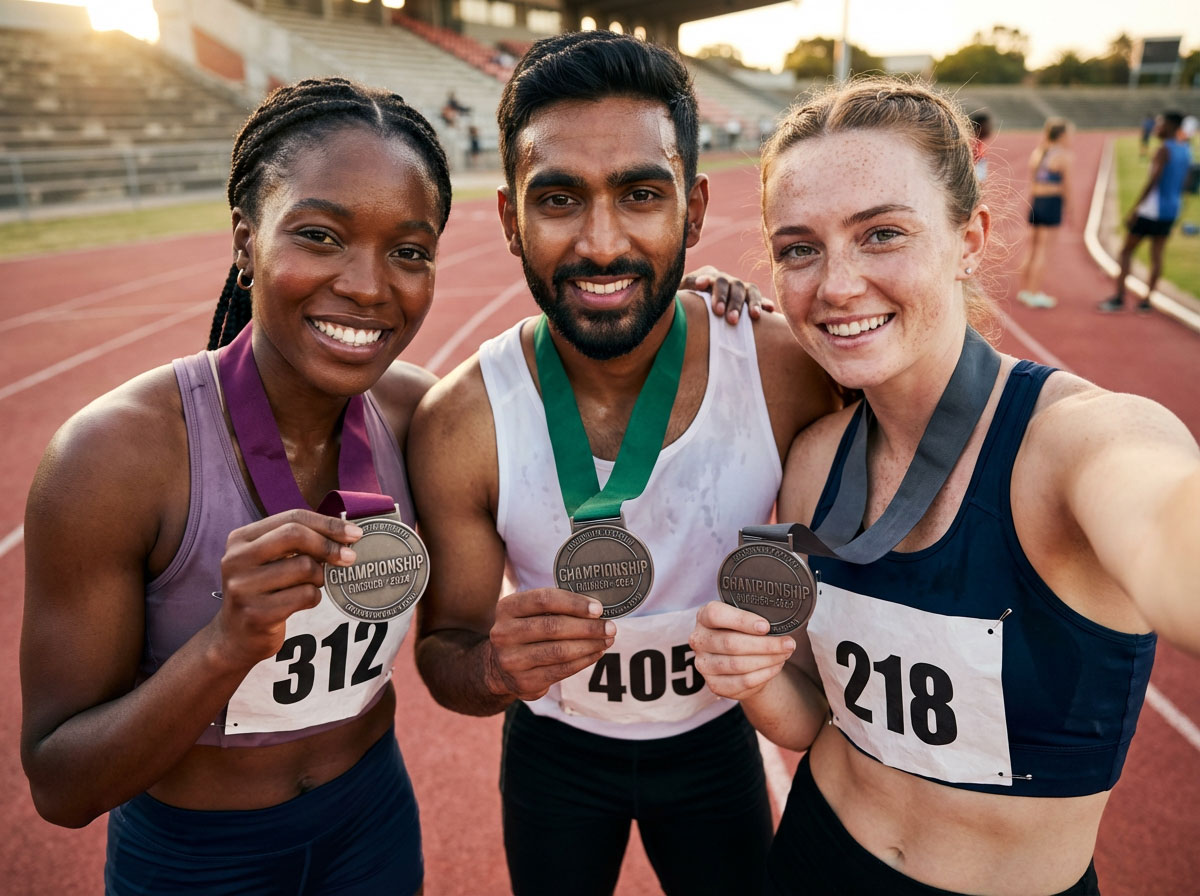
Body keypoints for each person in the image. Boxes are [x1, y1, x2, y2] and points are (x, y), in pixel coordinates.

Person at [691, 77, 1200, 896]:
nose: (837, 285)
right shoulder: (815, 461)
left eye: (882, 233)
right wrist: (751, 676)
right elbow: (822, 716)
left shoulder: (1077, 443)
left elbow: (1167, 516)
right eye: (798, 249)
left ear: (971, 238)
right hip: (814, 858)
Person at [408, 31, 839, 896]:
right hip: (553, 752)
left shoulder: (787, 371)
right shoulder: (461, 420)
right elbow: (443, 654)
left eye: (641, 194)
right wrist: (492, 667)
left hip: (719, 740)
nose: (602, 243)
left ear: (696, 208)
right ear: (508, 219)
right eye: (558, 198)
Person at [20, 77, 454, 895]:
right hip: (193, 859)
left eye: (408, 251)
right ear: (244, 239)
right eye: (320, 236)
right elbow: (60, 785)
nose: (367, 285)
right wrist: (224, 646)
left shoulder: (425, 415)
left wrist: (671, 317)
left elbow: (562, 401)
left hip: (373, 823)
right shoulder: (110, 459)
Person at [1098, 110, 1193, 313]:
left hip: (1151, 209)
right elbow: (1186, 183)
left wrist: (1135, 209)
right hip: (1171, 209)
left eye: (1161, 124)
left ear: (1170, 126)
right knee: (1157, 255)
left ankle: (1119, 298)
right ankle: (1147, 301)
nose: (1157, 128)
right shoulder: (1185, 150)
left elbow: (1153, 182)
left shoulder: (1163, 150)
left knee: (1126, 251)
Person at [1016, 118, 1073, 309]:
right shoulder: (1063, 156)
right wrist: (1071, 212)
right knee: (1043, 251)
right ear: (1062, 135)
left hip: (1036, 202)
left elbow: (1032, 182)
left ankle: (1025, 290)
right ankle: (1034, 293)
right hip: (1051, 203)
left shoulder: (1038, 153)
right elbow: (1067, 187)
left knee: (1032, 249)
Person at [968, 109, 994, 184]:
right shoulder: (971, 145)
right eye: (988, 125)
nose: (990, 128)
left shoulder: (979, 144)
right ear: (980, 126)